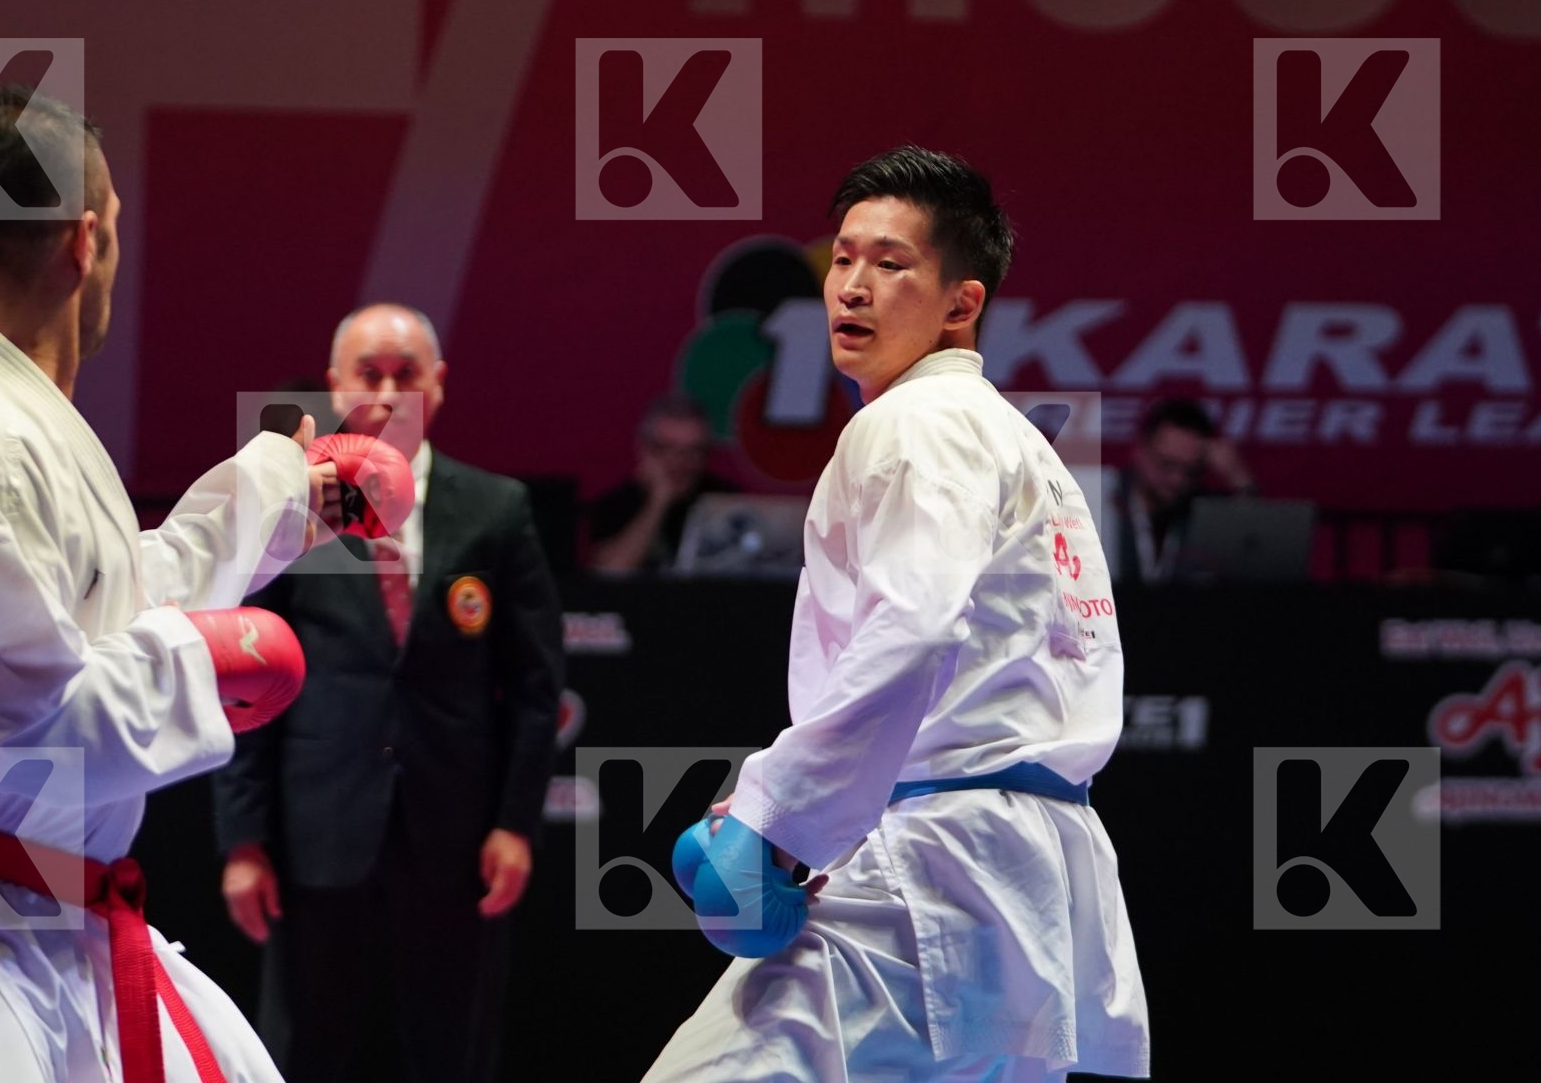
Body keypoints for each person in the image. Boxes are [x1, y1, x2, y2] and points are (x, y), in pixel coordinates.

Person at [0, 86, 347, 1082]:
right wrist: (197, 662)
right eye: (115, 226)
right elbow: (11, 723)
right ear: (87, 243)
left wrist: (275, 497)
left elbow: (107, 606)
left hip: (50, 920)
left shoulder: (7, 418)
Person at [644, 147, 1150, 1082]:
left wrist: (775, 815)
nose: (854, 286)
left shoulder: (912, 423)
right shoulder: (1017, 441)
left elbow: (914, 632)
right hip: (1038, 877)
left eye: (891, 264)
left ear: (962, 302)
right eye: (843, 259)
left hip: (925, 863)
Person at [213, 303, 566, 1083]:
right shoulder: (295, 515)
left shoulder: (494, 508)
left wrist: (514, 825)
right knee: (303, 1047)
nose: (386, 391)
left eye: (405, 374)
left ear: (437, 386)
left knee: (452, 1051)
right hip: (318, 824)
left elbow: (537, 688)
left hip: (454, 829)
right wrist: (244, 840)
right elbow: (246, 683)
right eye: (367, 374)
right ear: (335, 388)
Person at [1106, 397, 1258, 584]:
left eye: (1191, 471)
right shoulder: (1101, 500)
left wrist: (1241, 481)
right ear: (1139, 451)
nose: (1177, 479)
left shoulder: (1205, 513)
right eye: (1166, 464)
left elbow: (1255, 555)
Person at [585, 393, 736, 573]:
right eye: (667, 449)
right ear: (644, 449)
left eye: (693, 451)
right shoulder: (616, 504)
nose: (680, 463)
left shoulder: (726, 501)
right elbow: (611, 572)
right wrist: (659, 500)